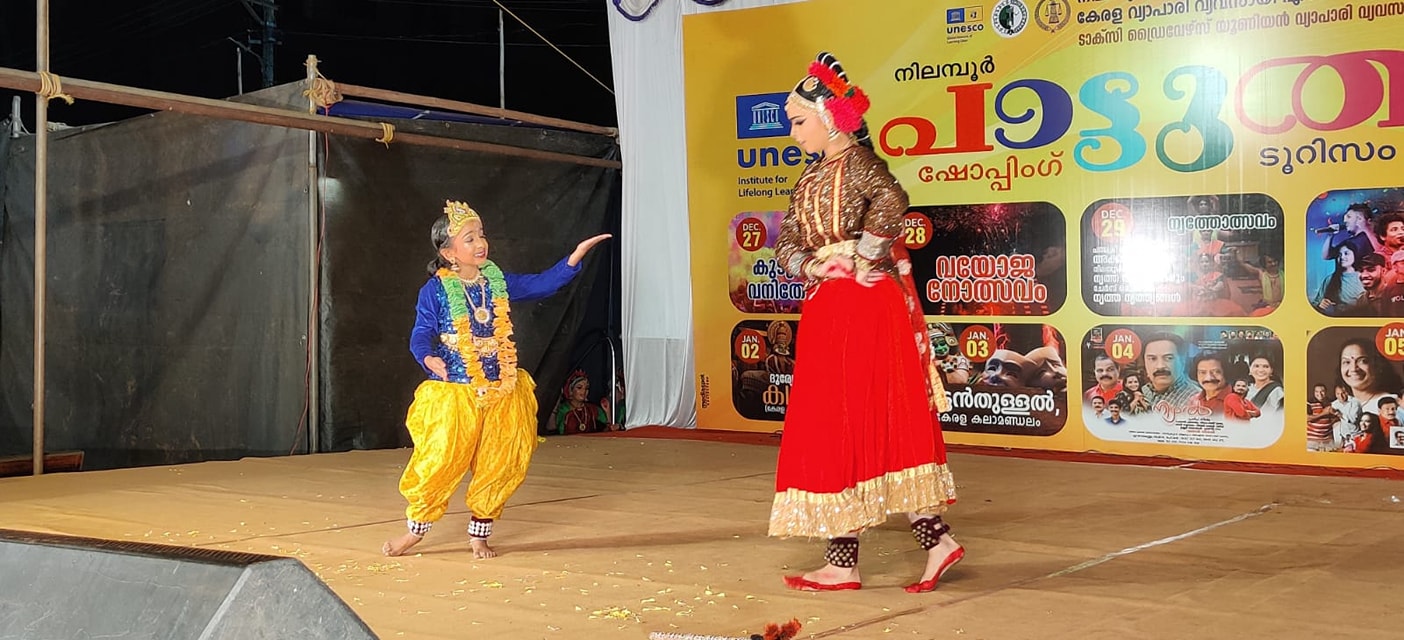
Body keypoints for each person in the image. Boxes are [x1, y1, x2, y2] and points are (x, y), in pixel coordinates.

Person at [768, 52, 960, 594]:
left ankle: (917, 544)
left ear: (830, 118)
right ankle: (864, 557)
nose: (793, 133)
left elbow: (893, 201)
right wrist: (817, 266)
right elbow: (786, 242)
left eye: (798, 121)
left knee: (866, 416)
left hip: (864, 304)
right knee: (839, 423)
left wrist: (863, 258)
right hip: (830, 304)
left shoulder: (857, 164)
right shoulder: (810, 178)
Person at [383, 199, 610, 559]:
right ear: (449, 252)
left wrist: (574, 258)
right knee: (439, 463)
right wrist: (428, 357)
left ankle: (479, 534)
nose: (481, 243)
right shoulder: (436, 291)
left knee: (500, 461)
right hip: (457, 392)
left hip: (502, 389)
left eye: (482, 235)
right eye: (470, 238)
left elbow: (540, 285)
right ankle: (415, 531)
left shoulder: (496, 282)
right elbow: (421, 332)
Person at [553, 369, 610, 434]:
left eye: (586, 388)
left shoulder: (592, 409)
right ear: (570, 390)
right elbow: (555, 430)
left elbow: (607, 425)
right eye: (579, 388)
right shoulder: (563, 409)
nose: (584, 391)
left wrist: (607, 410)